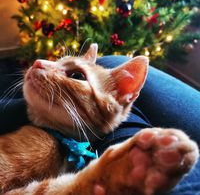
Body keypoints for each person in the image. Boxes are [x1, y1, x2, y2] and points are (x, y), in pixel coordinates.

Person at [0, 55, 200, 194]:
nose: (39, 62)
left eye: (76, 75)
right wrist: (84, 186)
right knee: (114, 60)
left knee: (114, 61)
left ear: (117, 95)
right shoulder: (40, 144)